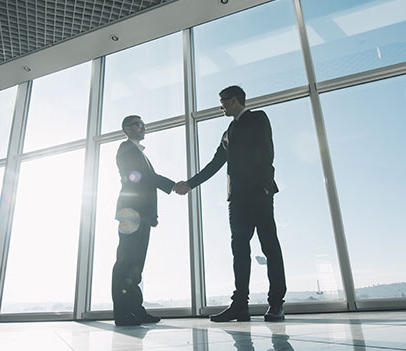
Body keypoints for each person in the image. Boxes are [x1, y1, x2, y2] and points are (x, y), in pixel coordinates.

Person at [175, 85, 286, 322]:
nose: (221, 106)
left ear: (234, 100)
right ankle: (240, 306)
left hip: (259, 193)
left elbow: (267, 152)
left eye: (223, 101)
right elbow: (215, 163)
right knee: (239, 251)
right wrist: (190, 184)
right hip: (237, 200)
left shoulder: (258, 118)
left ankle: (276, 303)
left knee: (269, 247)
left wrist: (264, 186)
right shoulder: (228, 132)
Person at [112, 115, 176, 326]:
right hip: (131, 212)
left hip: (141, 214)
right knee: (125, 262)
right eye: (139, 124)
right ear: (127, 129)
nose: (143, 127)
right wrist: (172, 185)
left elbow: (145, 184)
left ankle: (135, 310)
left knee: (136, 265)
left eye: (144, 124)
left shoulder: (138, 152)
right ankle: (122, 313)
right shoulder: (126, 149)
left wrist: (152, 216)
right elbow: (141, 177)